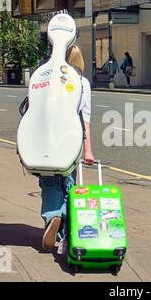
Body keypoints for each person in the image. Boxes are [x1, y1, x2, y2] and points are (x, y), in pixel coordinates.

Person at [39, 45, 94, 250]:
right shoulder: (83, 83)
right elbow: (85, 118)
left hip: (46, 138)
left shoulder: (47, 79)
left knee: (50, 181)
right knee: (68, 182)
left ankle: (53, 217)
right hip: (71, 139)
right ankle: (65, 227)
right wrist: (88, 150)